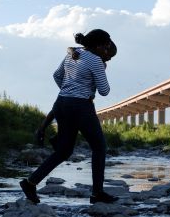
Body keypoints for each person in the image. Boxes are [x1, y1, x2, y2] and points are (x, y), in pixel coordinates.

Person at [20, 29, 117, 204]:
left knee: (63, 151)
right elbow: (104, 91)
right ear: (99, 45)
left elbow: (57, 75)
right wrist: (100, 71)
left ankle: (30, 183)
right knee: (99, 147)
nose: (107, 50)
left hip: (62, 102)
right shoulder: (96, 61)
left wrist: (69, 88)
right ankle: (97, 194)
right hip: (81, 107)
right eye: (106, 47)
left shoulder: (73, 54)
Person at [34, 42, 117, 148]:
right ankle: (49, 134)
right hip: (81, 101)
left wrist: (68, 90)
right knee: (98, 146)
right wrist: (74, 91)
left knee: (66, 121)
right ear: (101, 48)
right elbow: (71, 49)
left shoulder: (87, 56)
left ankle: (50, 134)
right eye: (109, 55)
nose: (109, 59)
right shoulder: (94, 60)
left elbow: (70, 53)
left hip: (68, 98)